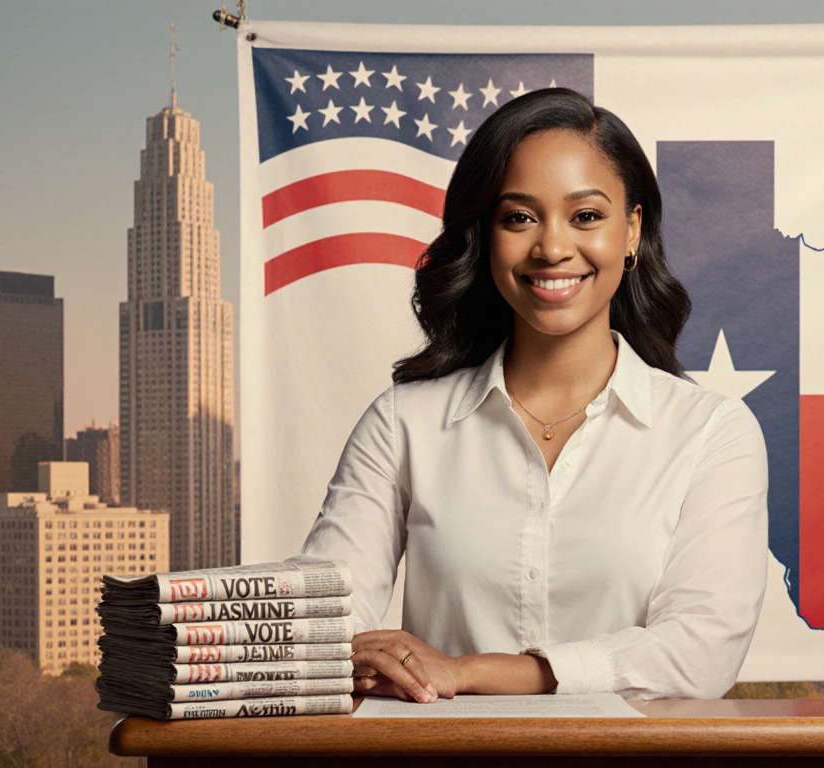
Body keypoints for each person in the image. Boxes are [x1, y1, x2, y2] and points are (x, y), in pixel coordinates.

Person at [300, 88, 769, 703]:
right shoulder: (402, 423)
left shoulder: (712, 433)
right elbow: (321, 622)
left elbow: (700, 654)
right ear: (485, 236)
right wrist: (350, 649)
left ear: (632, 231)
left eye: (587, 216)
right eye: (519, 217)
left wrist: (468, 672)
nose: (551, 247)